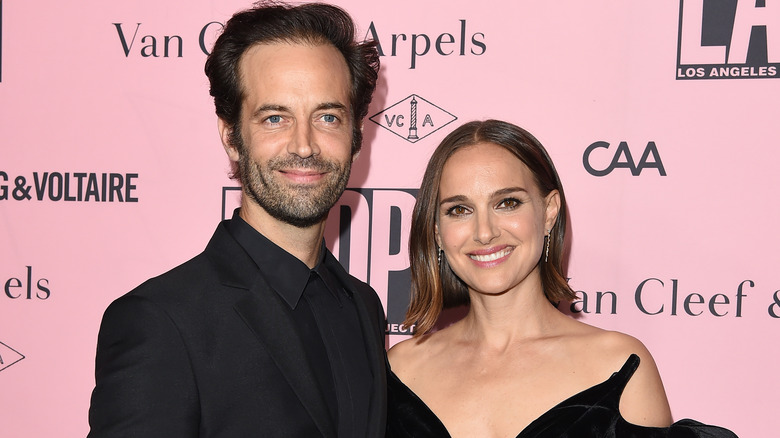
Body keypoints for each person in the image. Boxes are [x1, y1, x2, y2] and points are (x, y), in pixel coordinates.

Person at [88, 2, 386, 437]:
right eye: (274, 118)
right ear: (231, 136)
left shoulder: (362, 306)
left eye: (327, 117)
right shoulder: (161, 321)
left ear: (356, 139)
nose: (304, 145)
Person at [386, 120, 737, 437]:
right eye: (459, 210)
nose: (484, 232)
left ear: (550, 212)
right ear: (436, 232)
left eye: (507, 203)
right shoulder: (401, 370)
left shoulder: (618, 367)